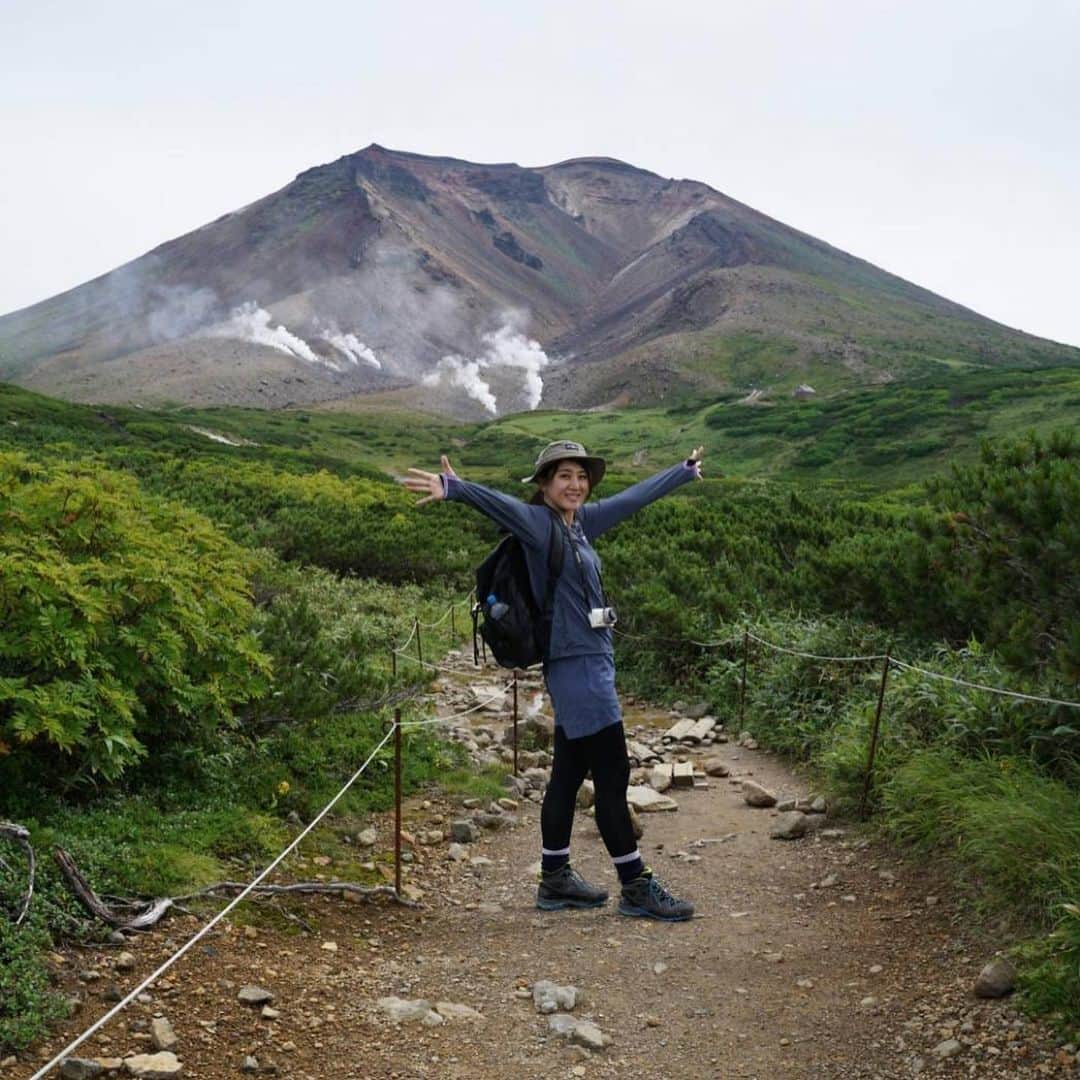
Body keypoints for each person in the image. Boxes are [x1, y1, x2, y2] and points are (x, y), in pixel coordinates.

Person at [404, 440, 704, 921]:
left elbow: (632, 500)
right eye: (564, 475)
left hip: (588, 663)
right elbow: (502, 506)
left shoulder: (580, 525)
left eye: (581, 476)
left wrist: (681, 473)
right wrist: (457, 489)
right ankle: (635, 886)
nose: (576, 484)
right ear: (544, 484)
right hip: (578, 668)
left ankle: (556, 877)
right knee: (611, 777)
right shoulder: (541, 525)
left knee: (567, 773)